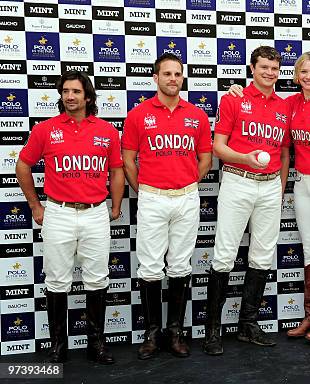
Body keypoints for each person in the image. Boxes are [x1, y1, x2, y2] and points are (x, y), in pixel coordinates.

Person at [226, 51, 310, 343]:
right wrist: (236, 89)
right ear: (296, 75)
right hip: (302, 184)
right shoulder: (290, 104)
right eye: (303, 72)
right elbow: (257, 104)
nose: (308, 77)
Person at [16, 70, 124, 364]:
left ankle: (96, 344)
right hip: (58, 212)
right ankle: (58, 345)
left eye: (76, 91)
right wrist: (35, 206)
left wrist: (115, 206)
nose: (70, 97)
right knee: (57, 280)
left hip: (94, 213)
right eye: (65, 91)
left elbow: (116, 171)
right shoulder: (45, 129)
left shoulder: (106, 131)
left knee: (97, 279)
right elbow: (23, 166)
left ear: (87, 96)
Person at [122, 53, 213, 360]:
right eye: (167, 74)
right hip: (152, 197)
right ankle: (151, 333)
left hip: (187, 197)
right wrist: (145, 188)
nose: (173, 78)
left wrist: (186, 182)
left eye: (178, 74)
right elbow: (128, 160)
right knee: (149, 266)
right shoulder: (138, 115)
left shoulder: (197, 115)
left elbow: (205, 160)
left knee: (180, 265)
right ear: (155, 78)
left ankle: (174, 331)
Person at [204, 46, 291, 355]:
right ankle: (212, 330)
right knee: (224, 255)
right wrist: (245, 158)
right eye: (264, 67)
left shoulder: (284, 107)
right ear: (252, 68)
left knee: (262, 256)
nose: (269, 72)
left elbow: (283, 154)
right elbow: (218, 147)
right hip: (238, 181)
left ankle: (247, 325)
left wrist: (279, 189)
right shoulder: (233, 99)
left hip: (269, 187)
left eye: (274, 68)